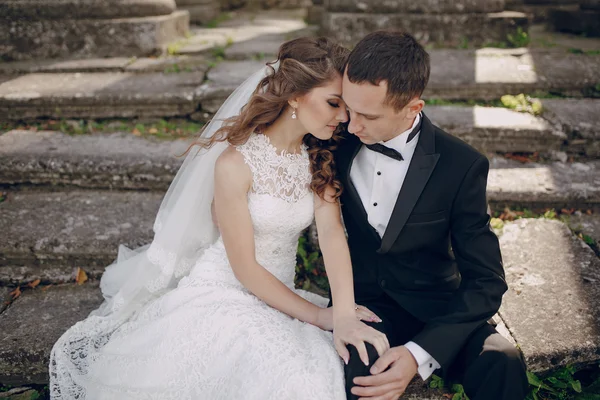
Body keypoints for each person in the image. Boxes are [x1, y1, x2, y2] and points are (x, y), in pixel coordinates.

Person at [49, 37, 389, 400]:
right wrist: (322, 317)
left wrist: (344, 313)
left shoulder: (317, 156)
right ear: (294, 95)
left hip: (282, 293)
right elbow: (244, 269)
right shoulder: (235, 165)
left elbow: (333, 235)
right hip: (228, 291)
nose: (343, 118)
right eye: (333, 103)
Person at [335, 31, 529, 400]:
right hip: (365, 308)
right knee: (363, 376)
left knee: (502, 359)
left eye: (368, 116)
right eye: (349, 107)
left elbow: (487, 281)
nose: (351, 126)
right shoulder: (336, 142)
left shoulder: (462, 165)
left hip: (436, 307)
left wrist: (418, 354)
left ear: (413, 108)